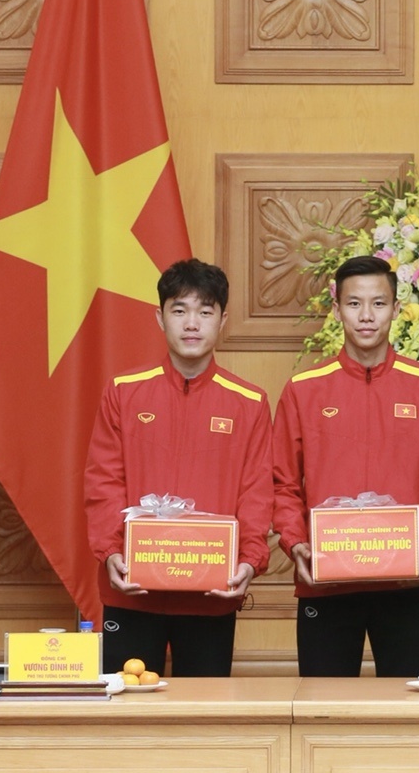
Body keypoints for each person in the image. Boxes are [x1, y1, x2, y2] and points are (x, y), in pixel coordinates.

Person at [271, 255, 419, 677]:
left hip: (406, 581)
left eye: (378, 303)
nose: (366, 316)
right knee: (322, 705)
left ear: (396, 308)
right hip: (325, 581)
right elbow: (282, 483)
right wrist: (296, 543)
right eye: (354, 303)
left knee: (406, 705)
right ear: (336, 309)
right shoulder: (303, 390)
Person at [83, 259, 273, 676]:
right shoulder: (124, 392)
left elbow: (257, 492)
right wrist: (111, 551)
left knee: (204, 710)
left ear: (222, 321)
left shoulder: (249, 403)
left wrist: (249, 559)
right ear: (160, 318)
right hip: (132, 589)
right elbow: (104, 481)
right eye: (179, 310)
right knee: (128, 706)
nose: (191, 323)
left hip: (211, 594)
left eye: (205, 311)